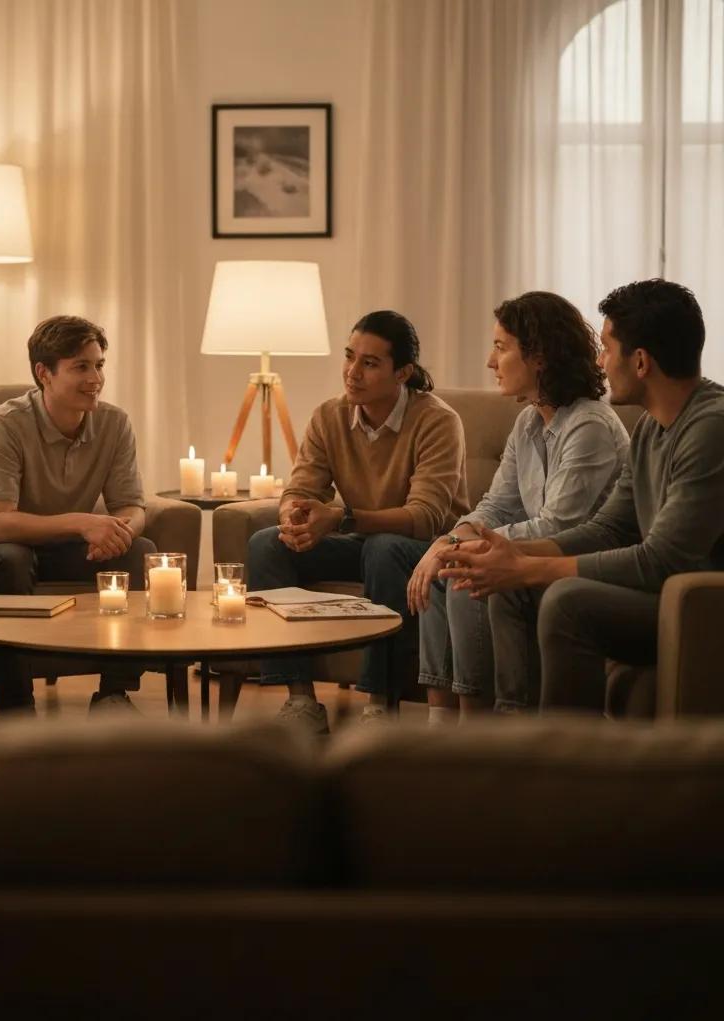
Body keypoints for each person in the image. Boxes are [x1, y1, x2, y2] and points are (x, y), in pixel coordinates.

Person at [437, 279, 724, 713]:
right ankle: (513, 734)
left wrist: (533, 568)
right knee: (510, 588)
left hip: (701, 606)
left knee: (567, 601)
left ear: (641, 361)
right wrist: (507, 553)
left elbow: (662, 559)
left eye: (608, 349)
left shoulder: (710, 429)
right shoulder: (649, 427)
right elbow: (610, 527)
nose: (601, 362)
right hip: (664, 593)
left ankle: (570, 760)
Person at [407, 292, 629, 720]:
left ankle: (480, 727)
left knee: (463, 574)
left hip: (573, 561)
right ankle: (439, 724)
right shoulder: (529, 420)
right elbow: (496, 504)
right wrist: (449, 540)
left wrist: (459, 548)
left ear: (540, 356)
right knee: (445, 567)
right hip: (537, 551)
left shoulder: (589, 425)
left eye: (501, 347)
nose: (491, 362)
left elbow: (557, 525)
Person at [247, 310, 469, 733]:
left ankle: (379, 704)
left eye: (369, 363)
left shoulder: (437, 421)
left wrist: (340, 518)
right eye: (350, 357)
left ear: (402, 372)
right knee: (267, 542)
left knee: (384, 547)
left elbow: (425, 518)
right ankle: (301, 700)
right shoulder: (329, 416)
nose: (352, 372)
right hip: (362, 542)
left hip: (428, 551)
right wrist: (295, 518)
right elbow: (301, 489)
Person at [0, 314, 155, 713]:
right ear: (45, 373)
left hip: (73, 546)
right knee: (10, 562)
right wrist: (83, 522)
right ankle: (16, 703)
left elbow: (132, 505)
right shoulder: (4, 424)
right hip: (13, 543)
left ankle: (113, 694)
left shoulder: (114, 423)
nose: (96, 378)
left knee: (140, 550)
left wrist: (119, 531)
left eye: (99, 365)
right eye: (81, 367)